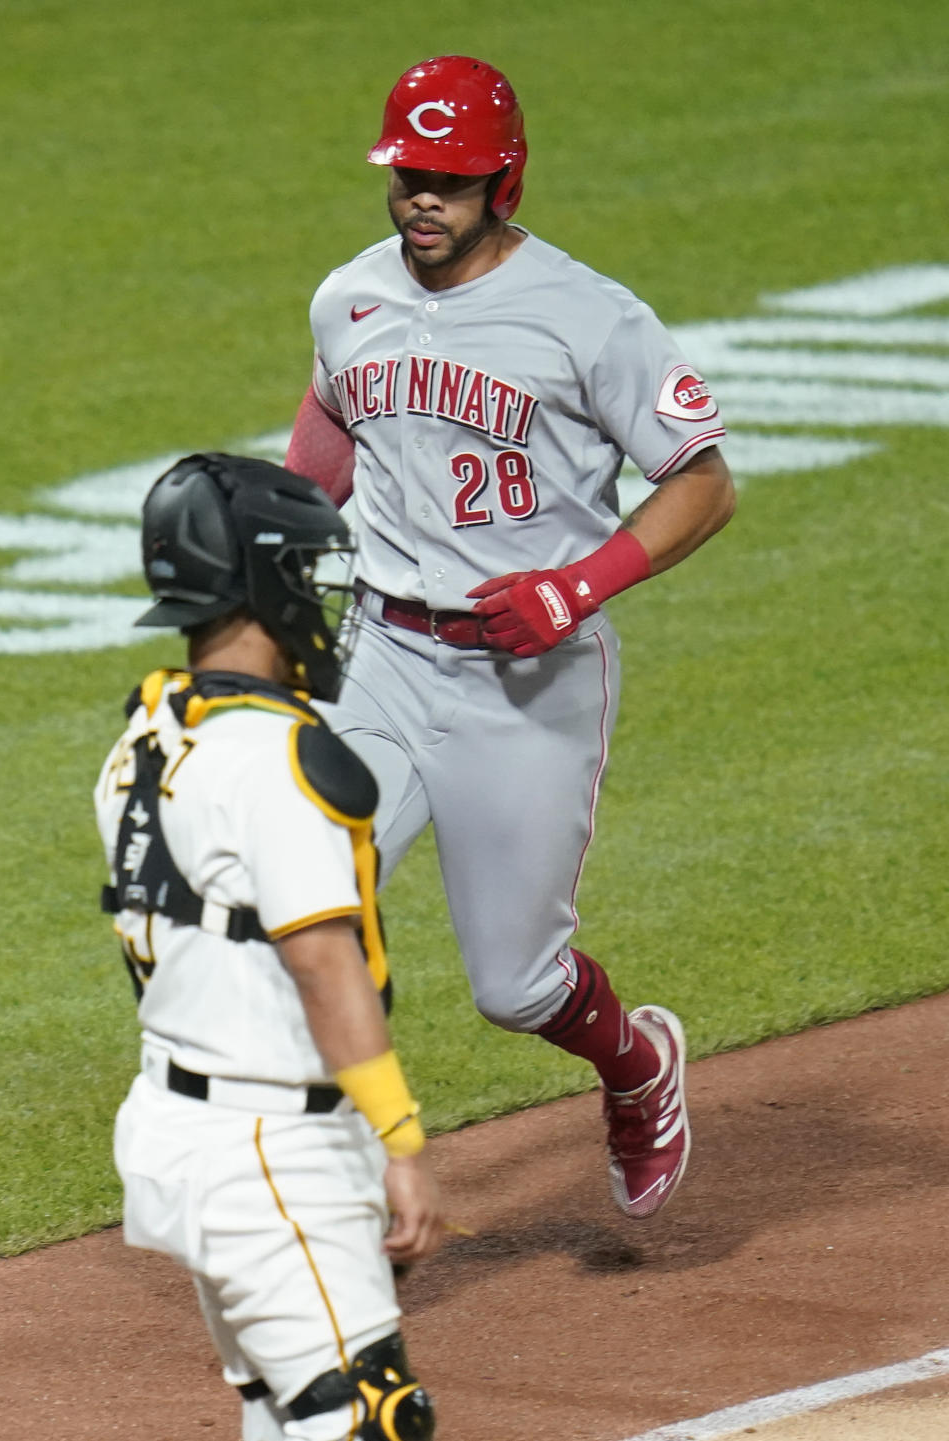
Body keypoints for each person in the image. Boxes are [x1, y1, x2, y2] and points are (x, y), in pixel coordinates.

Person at [285, 56, 736, 1222]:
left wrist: (579, 587)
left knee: (516, 983)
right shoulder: (350, 297)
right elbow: (333, 427)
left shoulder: (589, 316)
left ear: (506, 180)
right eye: (407, 177)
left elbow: (704, 483)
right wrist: (278, 543)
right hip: (379, 657)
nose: (421, 200)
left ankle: (635, 1066)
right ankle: (333, 1180)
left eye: (449, 180)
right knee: (297, 902)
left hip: (526, 681)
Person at [95, 452, 442, 1441]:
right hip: (268, 1147)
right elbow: (323, 962)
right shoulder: (274, 762)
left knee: (286, 1411)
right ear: (262, 583)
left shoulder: (150, 736)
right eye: (306, 572)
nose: (321, 599)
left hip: (178, 1123)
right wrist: (399, 1140)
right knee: (370, 1418)